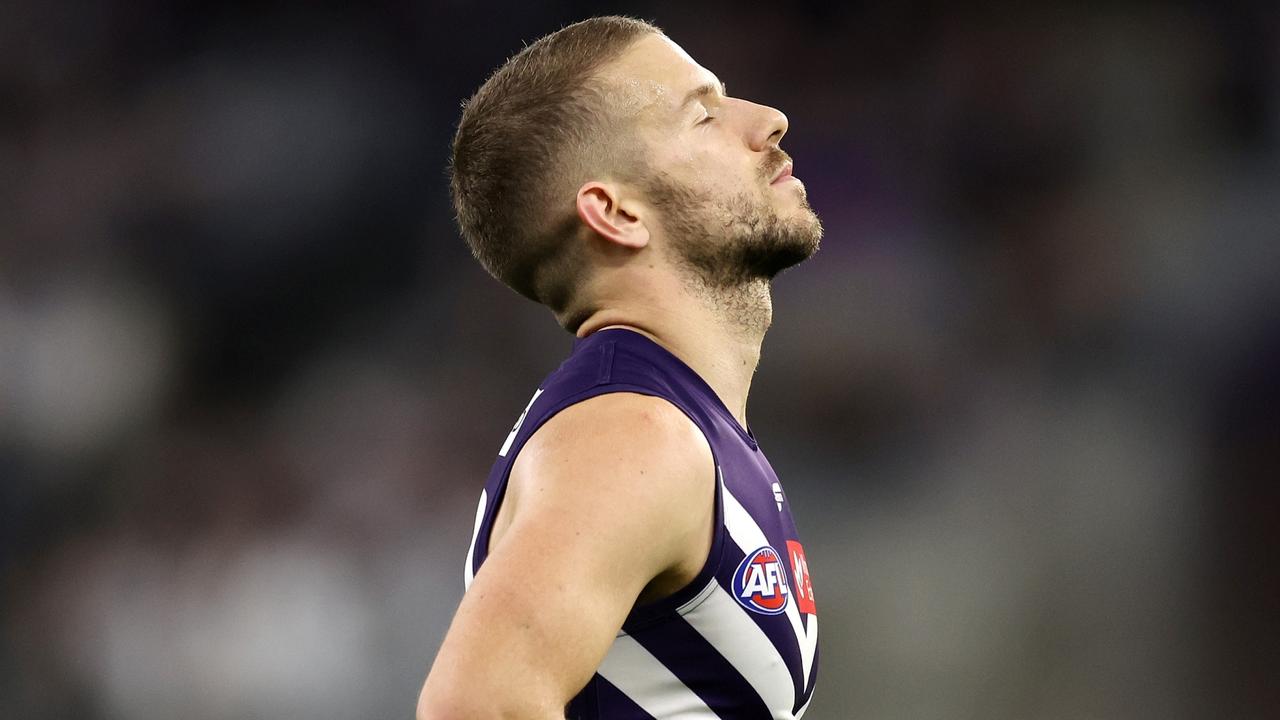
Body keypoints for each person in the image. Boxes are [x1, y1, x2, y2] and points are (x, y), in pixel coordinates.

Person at [417, 15, 823, 719]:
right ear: (616, 212)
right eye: (703, 115)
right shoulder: (631, 435)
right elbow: (474, 708)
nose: (769, 121)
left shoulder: (672, 426)